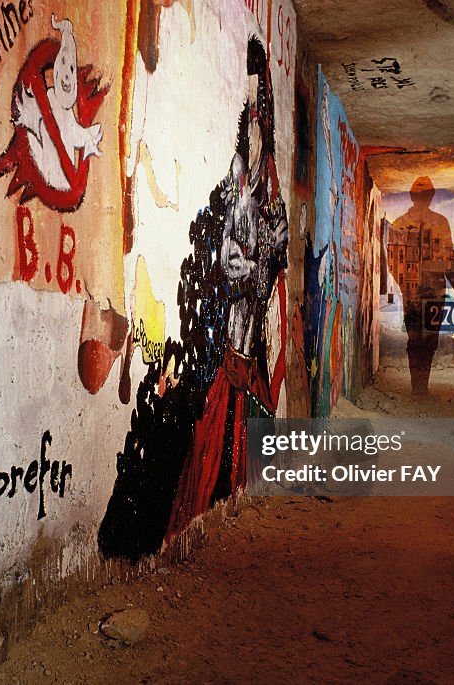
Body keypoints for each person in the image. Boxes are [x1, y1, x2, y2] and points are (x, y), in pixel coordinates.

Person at [164, 36, 288, 541]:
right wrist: (240, 255)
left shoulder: (264, 199)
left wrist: (270, 250)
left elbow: (267, 271)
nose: (258, 155)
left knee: (239, 451)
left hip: (248, 353)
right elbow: (222, 262)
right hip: (231, 353)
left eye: (264, 141)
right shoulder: (234, 197)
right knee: (214, 454)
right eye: (252, 141)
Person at [387, 177, 454, 395]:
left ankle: (418, 386)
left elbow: (392, 264)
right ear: (431, 196)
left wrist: (406, 287)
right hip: (434, 292)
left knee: (416, 338)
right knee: (427, 339)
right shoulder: (439, 222)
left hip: (416, 294)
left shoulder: (398, 223)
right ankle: (420, 386)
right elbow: (450, 259)